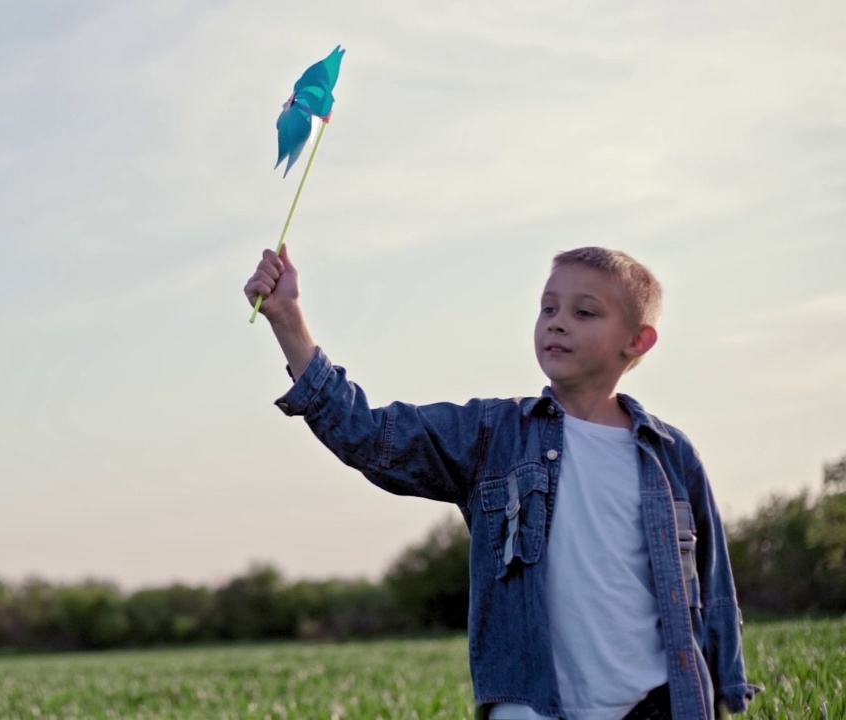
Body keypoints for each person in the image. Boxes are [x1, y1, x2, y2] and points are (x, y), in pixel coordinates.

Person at [243, 244, 760, 719]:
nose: (557, 324)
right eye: (548, 308)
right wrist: (288, 319)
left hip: (656, 705)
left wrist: (725, 692)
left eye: (584, 312)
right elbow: (370, 437)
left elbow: (713, 590)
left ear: (637, 340)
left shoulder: (671, 455)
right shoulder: (494, 434)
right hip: (531, 706)